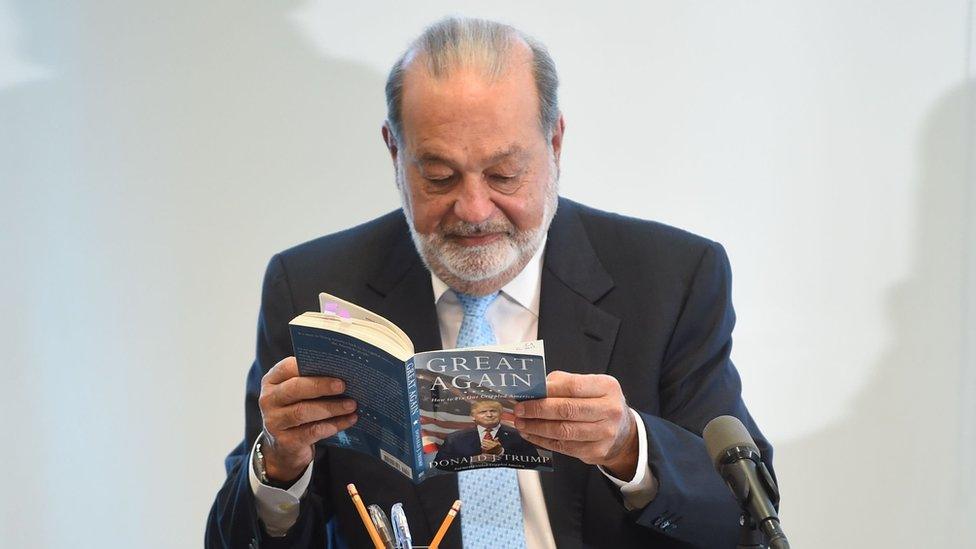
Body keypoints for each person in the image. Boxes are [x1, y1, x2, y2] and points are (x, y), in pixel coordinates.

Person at [206, 16, 773, 549]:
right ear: (394, 151)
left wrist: (630, 446)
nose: (474, 209)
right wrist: (279, 464)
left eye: (504, 174)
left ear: (555, 144)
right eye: (438, 176)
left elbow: (745, 515)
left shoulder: (672, 278)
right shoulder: (311, 286)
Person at [433, 400, 541, 465]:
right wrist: (472, 460)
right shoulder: (455, 439)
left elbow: (534, 461)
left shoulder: (519, 435)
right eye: (483, 412)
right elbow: (439, 463)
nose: (489, 415)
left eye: (493, 411)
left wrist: (501, 452)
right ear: (473, 417)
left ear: (500, 414)